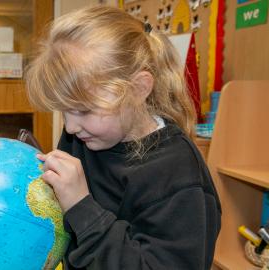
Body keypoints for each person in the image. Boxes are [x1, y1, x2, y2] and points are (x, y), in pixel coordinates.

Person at [25, 6, 221, 270]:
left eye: (84, 110)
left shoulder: (178, 174)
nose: (70, 127)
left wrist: (82, 208)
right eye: (64, 111)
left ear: (138, 89)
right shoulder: (83, 136)